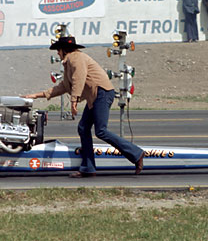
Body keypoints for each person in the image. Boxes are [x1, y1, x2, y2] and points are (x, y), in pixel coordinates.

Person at [23, 36, 144, 178]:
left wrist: (74, 101)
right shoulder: (68, 63)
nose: (57, 53)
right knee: (83, 128)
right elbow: (63, 86)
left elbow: (78, 79)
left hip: (102, 93)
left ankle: (136, 153)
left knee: (101, 131)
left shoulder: (76, 58)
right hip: (96, 96)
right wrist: (36, 95)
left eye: (58, 50)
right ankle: (88, 168)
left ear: (63, 50)